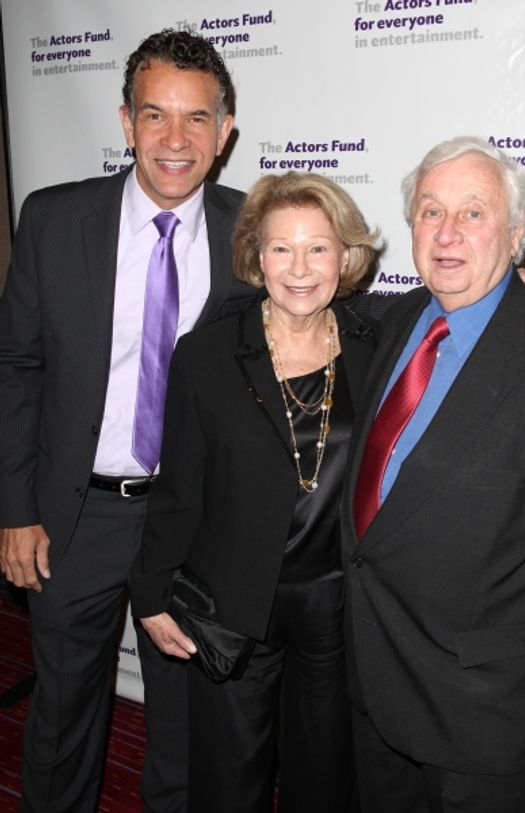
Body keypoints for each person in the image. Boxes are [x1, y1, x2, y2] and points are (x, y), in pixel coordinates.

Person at [0, 29, 253, 813]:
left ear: (224, 132)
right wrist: (16, 509)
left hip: (191, 521)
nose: (176, 139)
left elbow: (337, 297)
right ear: (125, 121)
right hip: (75, 514)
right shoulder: (53, 219)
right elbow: (17, 369)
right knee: (63, 711)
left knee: (181, 719)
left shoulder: (252, 231)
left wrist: (482, 293)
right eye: (154, 115)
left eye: (197, 118)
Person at [341, 135, 525, 812]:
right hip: (375, 685)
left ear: (517, 232)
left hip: (490, 715)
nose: (447, 231)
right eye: (431, 211)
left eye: (474, 213)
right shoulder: (395, 319)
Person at [129, 171, 380, 812]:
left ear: (346, 255)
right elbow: (179, 486)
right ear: (255, 256)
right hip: (232, 604)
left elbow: (452, 310)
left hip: (336, 607)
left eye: (318, 248)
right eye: (281, 248)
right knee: (228, 778)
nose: (299, 268)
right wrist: (150, 593)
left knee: (325, 779)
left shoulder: (376, 343)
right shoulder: (207, 354)